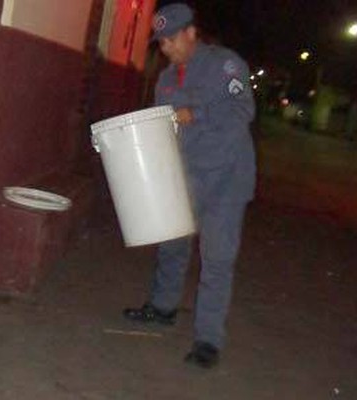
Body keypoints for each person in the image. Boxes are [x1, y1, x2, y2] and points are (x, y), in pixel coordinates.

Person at [123, 3, 256, 369]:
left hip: (226, 179)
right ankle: (163, 307)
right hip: (186, 175)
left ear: (191, 33)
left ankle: (208, 340)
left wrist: (194, 114)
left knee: (216, 259)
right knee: (173, 243)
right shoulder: (165, 80)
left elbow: (241, 112)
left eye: (171, 40)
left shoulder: (226, 65)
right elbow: (163, 131)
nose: (166, 48)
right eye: (161, 42)